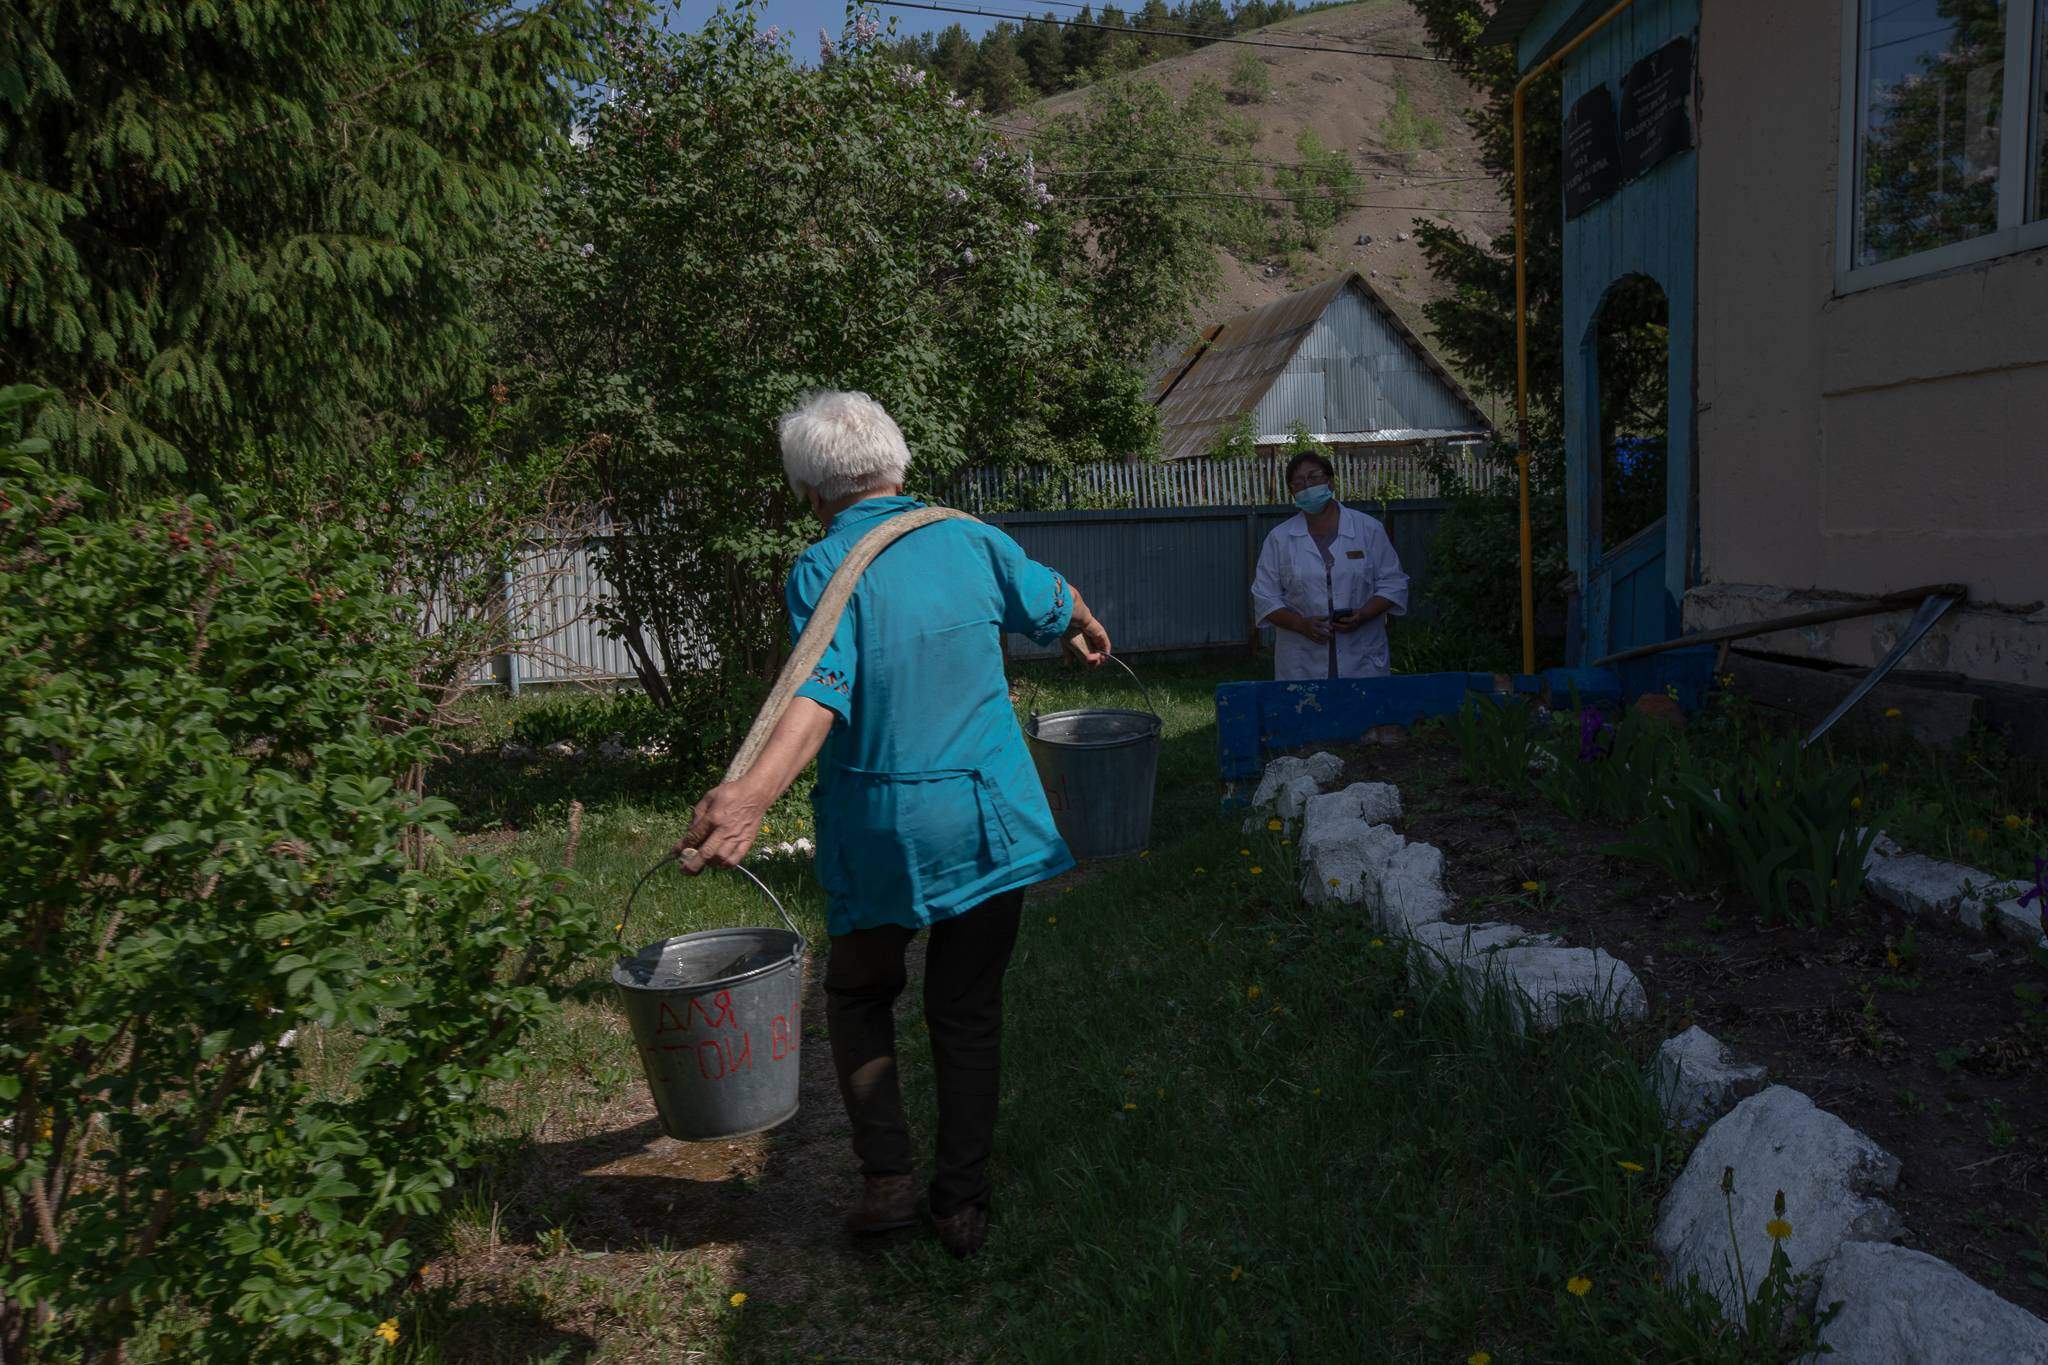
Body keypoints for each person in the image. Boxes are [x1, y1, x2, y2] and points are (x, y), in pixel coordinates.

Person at [678, 390, 1113, 1260]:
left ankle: (887, 1183)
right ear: (898, 462)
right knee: (967, 1009)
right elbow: (1048, 597)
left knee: (862, 992)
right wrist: (1081, 622)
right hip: (991, 823)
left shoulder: (822, 568)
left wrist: (754, 793)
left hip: (884, 830)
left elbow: (819, 687)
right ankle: (960, 1203)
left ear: (812, 491)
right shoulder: (973, 538)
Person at [1248, 450, 1410, 680]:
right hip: (1302, 662)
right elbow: (1264, 597)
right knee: (1305, 713)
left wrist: (1363, 614)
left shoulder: (1368, 529)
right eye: (1298, 483)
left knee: (1363, 714)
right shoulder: (1279, 538)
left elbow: (1394, 583)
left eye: (1313, 477)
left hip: (1362, 656)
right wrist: (1300, 624)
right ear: (1293, 492)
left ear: (1331, 482)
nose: (1307, 486)